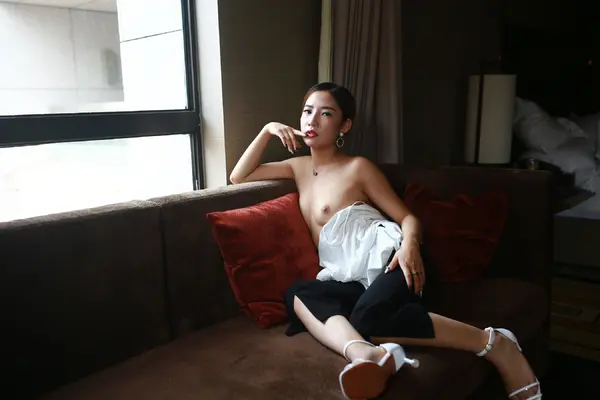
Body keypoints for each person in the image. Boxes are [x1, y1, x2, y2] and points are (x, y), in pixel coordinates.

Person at [229, 82, 542, 400]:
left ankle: (494, 343)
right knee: (299, 293)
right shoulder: (297, 168)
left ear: (344, 126)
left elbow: (408, 218)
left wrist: (409, 248)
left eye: (326, 114)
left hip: (390, 258)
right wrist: (267, 130)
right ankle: (367, 355)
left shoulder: (357, 167)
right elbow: (238, 176)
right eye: (308, 111)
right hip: (349, 275)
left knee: (368, 317)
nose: (313, 120)